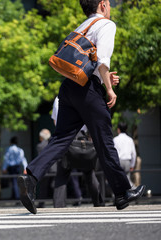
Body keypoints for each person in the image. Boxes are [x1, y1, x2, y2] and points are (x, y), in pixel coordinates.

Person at [17, 0, 145, 214]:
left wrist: (104, 78)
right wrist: (109, 89)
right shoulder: (106, 24)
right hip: (88, 91)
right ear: (103, 4)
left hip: (68, 87)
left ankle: (30, 178)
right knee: (104, 140)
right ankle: (122, 192)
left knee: (60, 139)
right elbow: (103, 61)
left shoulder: (82, 26)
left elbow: (88, 63)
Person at [36, 129, 55, 208]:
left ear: (41, 137)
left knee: (43, 187)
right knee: (55, 186)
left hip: (45, 169)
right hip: (54, 167)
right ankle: (57, 202)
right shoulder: (53, 143)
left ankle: (41, 203)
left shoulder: (40, 146)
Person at [113, 122, 137, 187]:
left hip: (119, 161)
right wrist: (132, 165)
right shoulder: (130, 139)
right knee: (127, 179)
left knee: (119, 180)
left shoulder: (115, 139)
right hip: (127, 161)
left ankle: (121, 195)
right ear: (126, 129)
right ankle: (132, 191)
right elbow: (134, 153)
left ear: (118, 129)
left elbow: (113, 153)